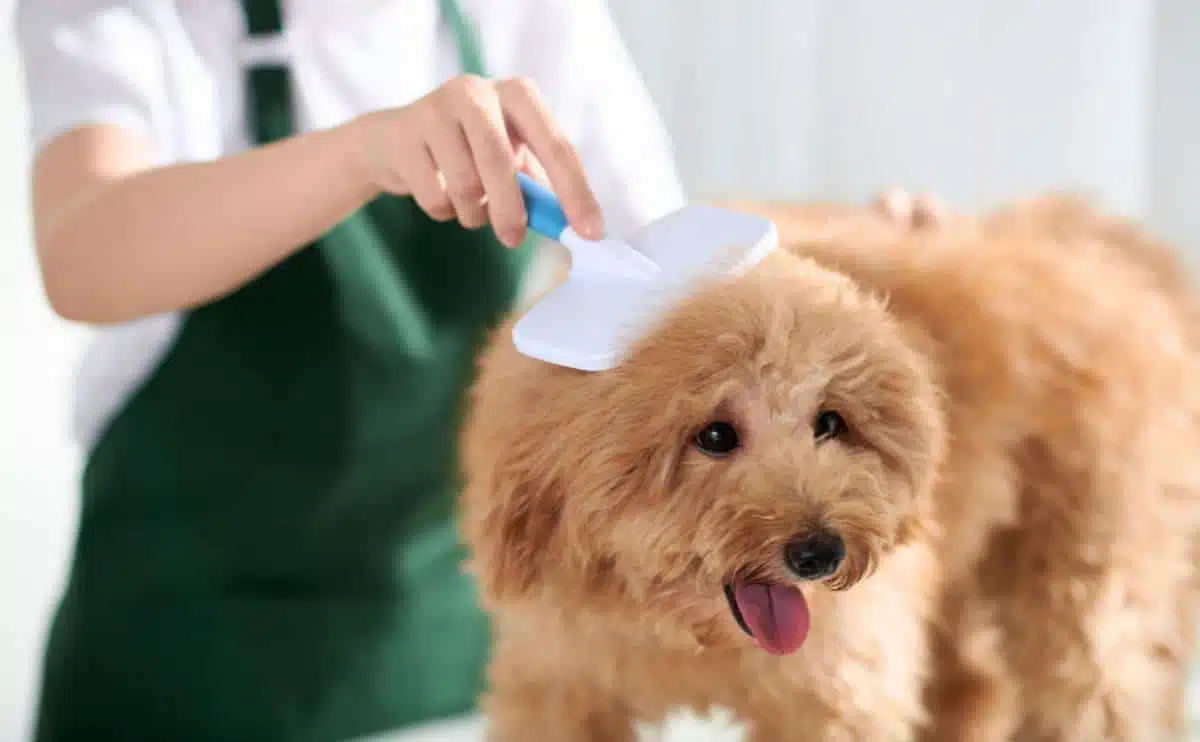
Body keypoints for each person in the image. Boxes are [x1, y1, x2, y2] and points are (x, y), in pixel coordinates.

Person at [15, 0, 685, 739]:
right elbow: (84, 255)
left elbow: (663, 270)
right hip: (178, 667)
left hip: (438, 655)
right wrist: (362, 154)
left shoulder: (522, 14)